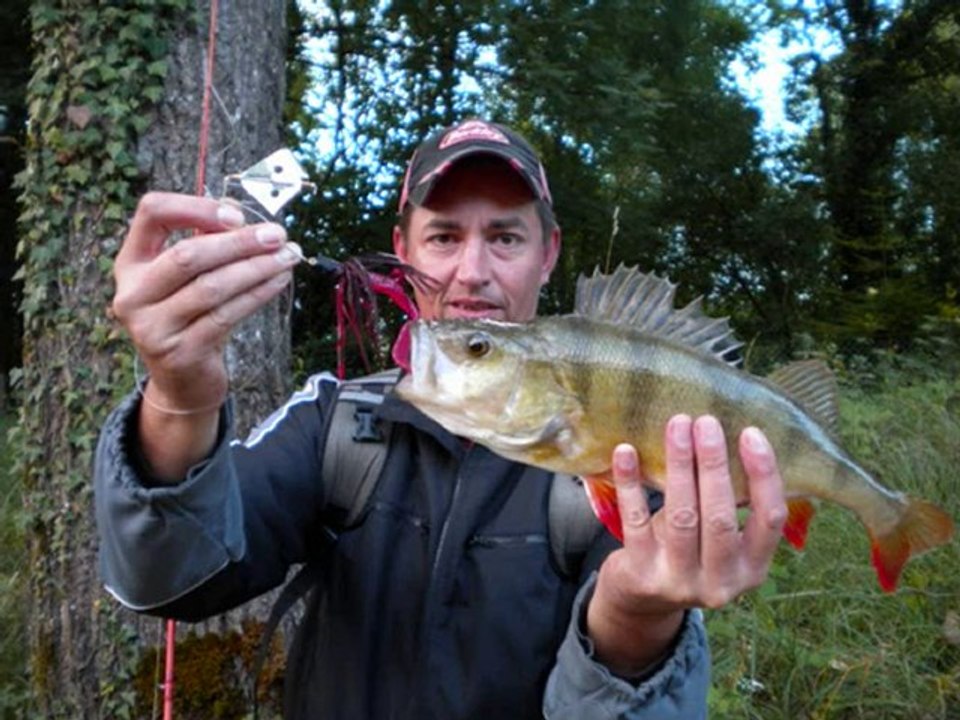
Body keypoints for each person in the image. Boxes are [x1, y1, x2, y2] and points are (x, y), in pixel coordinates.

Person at [95, 119, 787, 719]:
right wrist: (179, 399)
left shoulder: (629, 461)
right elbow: (167, 581)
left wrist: (635, 618)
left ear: (548, 254)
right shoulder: (336, 426)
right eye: (444, 236)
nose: (472, 271)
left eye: (506, 238)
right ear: (403, 250)